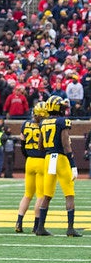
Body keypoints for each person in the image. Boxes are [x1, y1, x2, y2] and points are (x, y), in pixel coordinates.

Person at [35, 95, 82, 237]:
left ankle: (40, 228)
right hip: (61, 159)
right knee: (69, 194)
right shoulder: (63, 121)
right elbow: (65, 144)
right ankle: (70, 229)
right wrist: (73, 164)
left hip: (49, 158)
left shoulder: (43, 122)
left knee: (47, 195)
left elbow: (40, 146)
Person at [16, 102, 46, 233]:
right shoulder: (44, 126)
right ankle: (36, 225)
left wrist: (27, 155)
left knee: (27, 194)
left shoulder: (25, 124)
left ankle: (19, 222)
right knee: (40, 195)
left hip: (29, 161)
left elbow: (22, 143)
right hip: (41, 161)